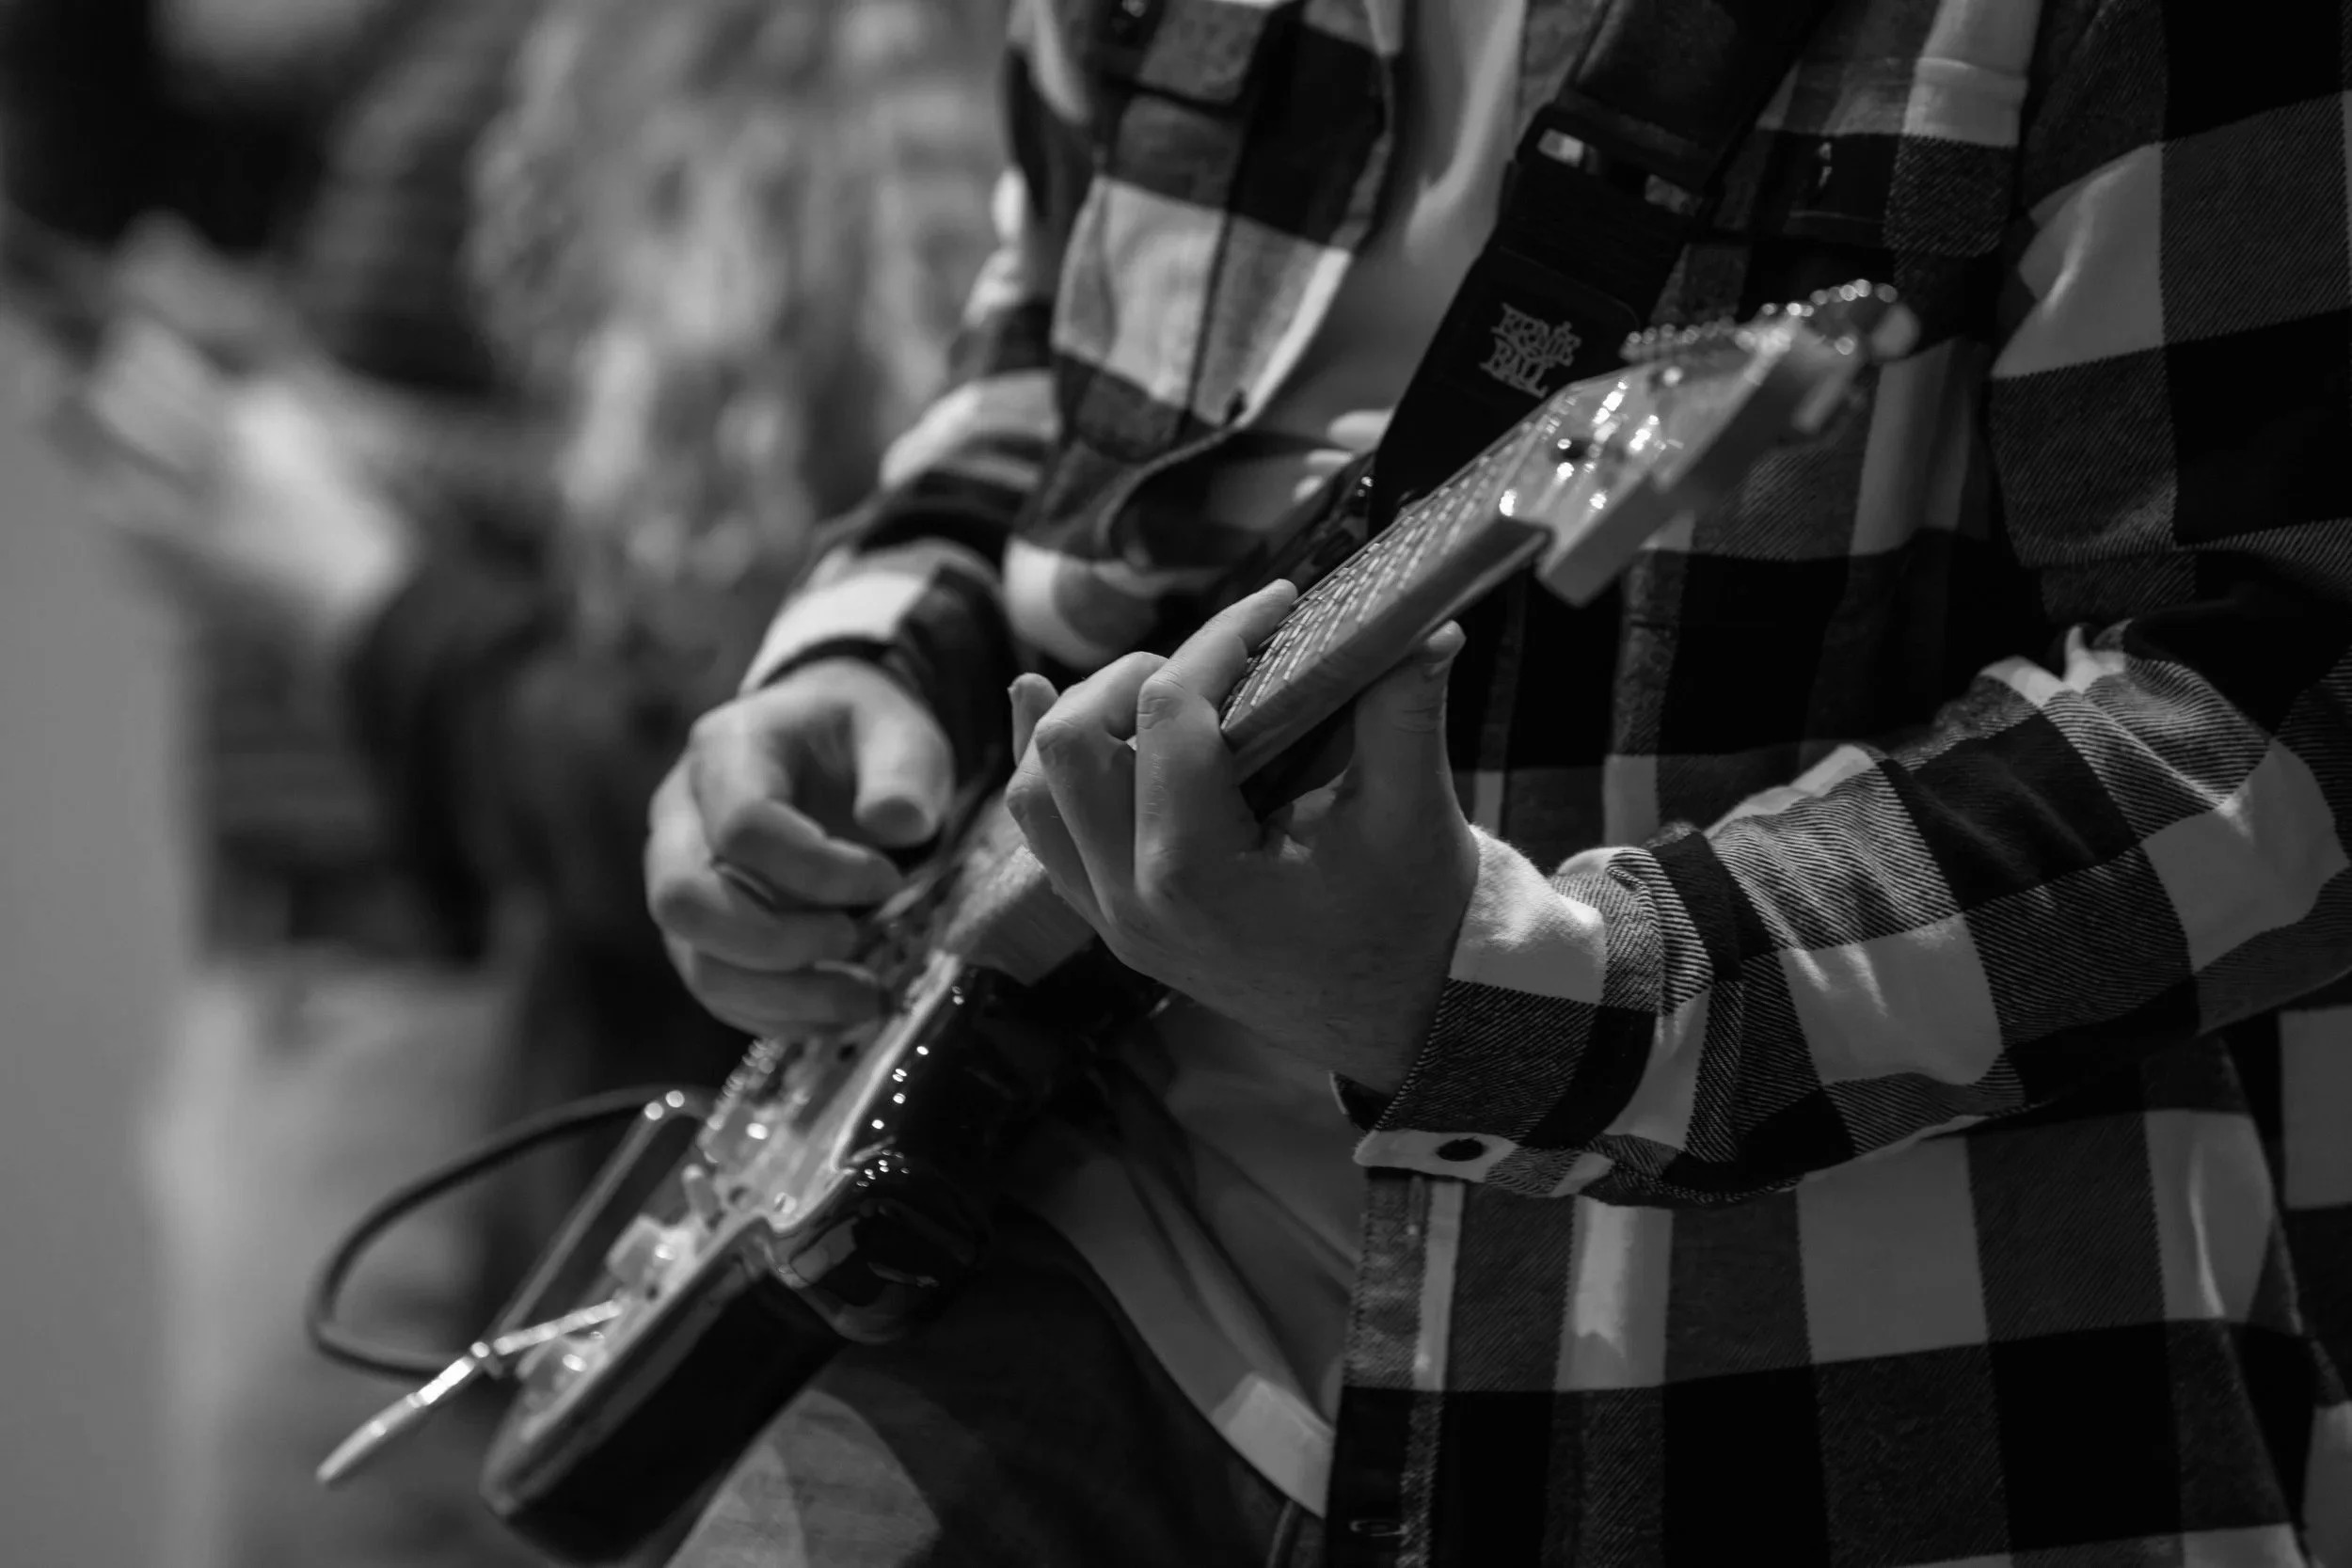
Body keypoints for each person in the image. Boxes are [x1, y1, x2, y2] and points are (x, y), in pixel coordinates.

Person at [646, 0, 2352, 1564]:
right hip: (1073, 1234)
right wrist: (867, 659)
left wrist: (1536, 990)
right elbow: (1038, 376)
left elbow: (2268, 718)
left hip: (1781, 1375)